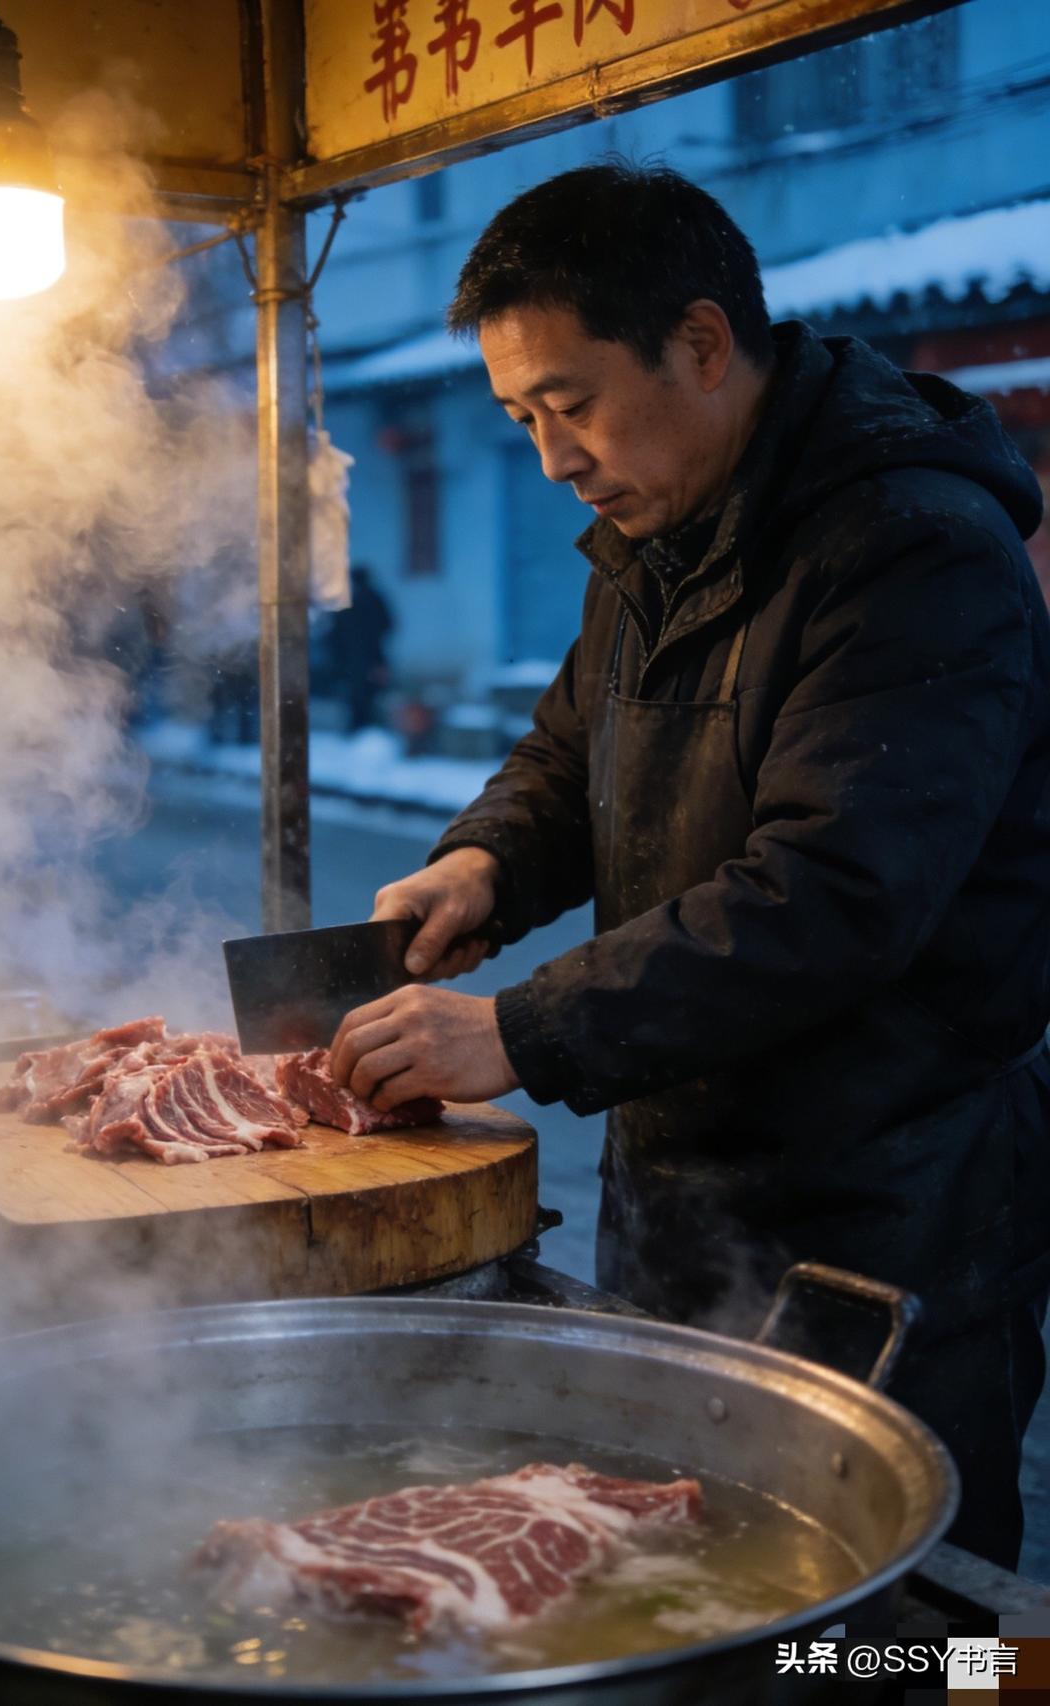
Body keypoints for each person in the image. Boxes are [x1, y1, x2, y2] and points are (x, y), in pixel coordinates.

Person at [328, 162, 1050, 1569]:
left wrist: (517, 1028)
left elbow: (834, 891)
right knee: (683, 1576)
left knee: (896, 1617)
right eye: (521, 419)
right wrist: (482, 861)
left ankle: (993, 1680)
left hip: (885, 1208)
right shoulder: (658, 531)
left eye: (572, 403)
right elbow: (570, 749)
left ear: (703, 344)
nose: (552, 457)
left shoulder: (912, 549)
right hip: (679, 1183)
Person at [322, 564, 394, 731]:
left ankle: (360, 728)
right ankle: (365, 728)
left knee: (357, 694)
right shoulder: (373, 599)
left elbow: (334, 633)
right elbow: (387, 624)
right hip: (369, 655)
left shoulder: (349, 601)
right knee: (367, 694)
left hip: (353, 657)